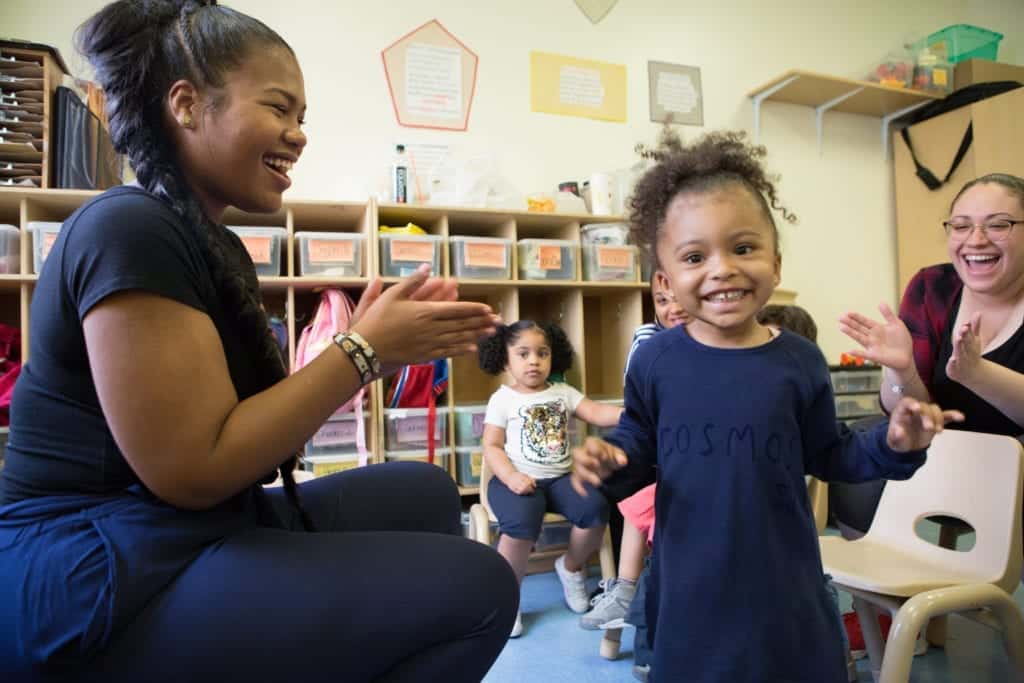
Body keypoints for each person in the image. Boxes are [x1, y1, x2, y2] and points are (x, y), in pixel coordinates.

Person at [0, 2, 518, 681]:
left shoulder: (215, 248)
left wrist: (373, 351)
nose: (298, 135)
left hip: (177, 528)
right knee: (481, 588)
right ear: (185, 104)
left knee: (425, 491)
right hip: (89, 568)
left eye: (302, 117)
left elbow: (264, 444)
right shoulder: (127, 229)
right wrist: (357, 353)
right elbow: (195, 469)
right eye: (280, 108)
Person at [570, 130, 962, 683]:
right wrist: (610, 463)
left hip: (785, 584)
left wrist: (894, 443)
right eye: (694, 256)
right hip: (689, 588)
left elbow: (832, 454)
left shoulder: (799, 361)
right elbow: (638, 443)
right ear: (666, 279)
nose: (722, 268)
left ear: (775, 264)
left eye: (743, 248)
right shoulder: (656, 361)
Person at [836, 172, 1024, 650]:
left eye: (998, 224)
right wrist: (901, 372)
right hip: (942, 454)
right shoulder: (932, 287)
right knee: (865, 448)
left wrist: (977, 373)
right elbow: (910, 412)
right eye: (960, 226)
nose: (975, 240)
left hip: (1011, 471)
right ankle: (891, 609)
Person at [478, 320, 623, 638]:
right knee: (521, 523)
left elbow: (596, 413)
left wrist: (631, 412)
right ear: (505, 361)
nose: (534, 361)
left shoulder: (562, 393)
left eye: (542, 353)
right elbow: (490, 446)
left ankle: (570, 568)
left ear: (552, 359)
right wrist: (511, 476)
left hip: (560, 478)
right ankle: (508, 597)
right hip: (513, 479)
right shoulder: (502, 399)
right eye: (523, 354)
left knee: (596, 510)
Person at [580, 276, 687, 681]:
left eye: (678, 299)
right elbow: (638, 411)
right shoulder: (649, 341)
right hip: (657, 459)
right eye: (661, 300)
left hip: (690, 473)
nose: (671, 307)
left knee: (657, 537)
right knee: (636, 502)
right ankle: (626, 595)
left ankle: (629, 599)